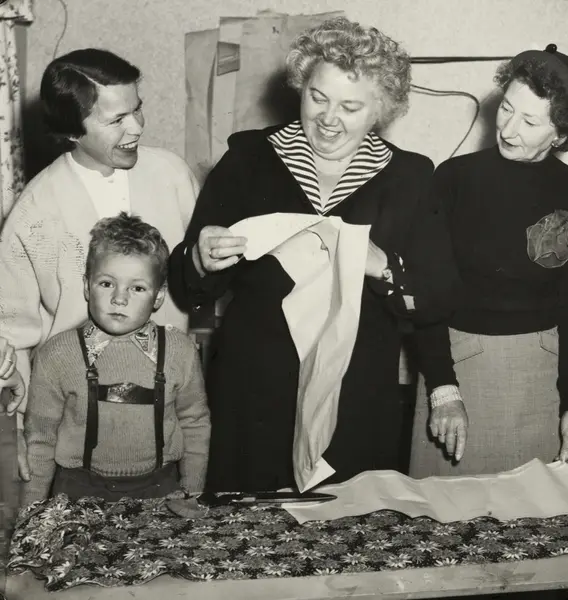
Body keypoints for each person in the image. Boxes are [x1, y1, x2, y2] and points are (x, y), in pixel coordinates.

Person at [169, 16, 462, 493]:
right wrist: (201, 256)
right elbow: (189, 285)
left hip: (356, 398)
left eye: (350, 106)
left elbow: (436, 299)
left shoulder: (408, 177)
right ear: (300, 87)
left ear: (381, 109)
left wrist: (384, 267)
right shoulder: (249, 158)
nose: (328, 118)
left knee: (348, 529)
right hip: (255, 391)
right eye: (317, 97)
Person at [0, 48, 199, 480]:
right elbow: (12, 336)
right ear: (72, 131)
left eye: (137, 109)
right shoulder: (34, 212)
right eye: (116, 120)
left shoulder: (172, 175)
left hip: (165, 420)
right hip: (79, 427)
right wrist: (21, 435)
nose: (137, 127)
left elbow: (199, 284)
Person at [410, 44, 568, 478]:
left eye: (530, 121)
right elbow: (425, 290)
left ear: (561, 134)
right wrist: (442, 389)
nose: (509, 129)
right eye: (507, 109)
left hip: (542, 377)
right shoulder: (453, 178)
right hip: (456, 371)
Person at [21, 213, 211, 505]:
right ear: (87, 286)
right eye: (107, 284)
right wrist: (31, 510)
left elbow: (195, 423)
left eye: (137, 288)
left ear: (158, 296)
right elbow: (41, 441)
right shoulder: (57, 355)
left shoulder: (179, 351)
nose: (119, 299)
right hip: (77, 493)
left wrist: (193, 492)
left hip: (160, 492)